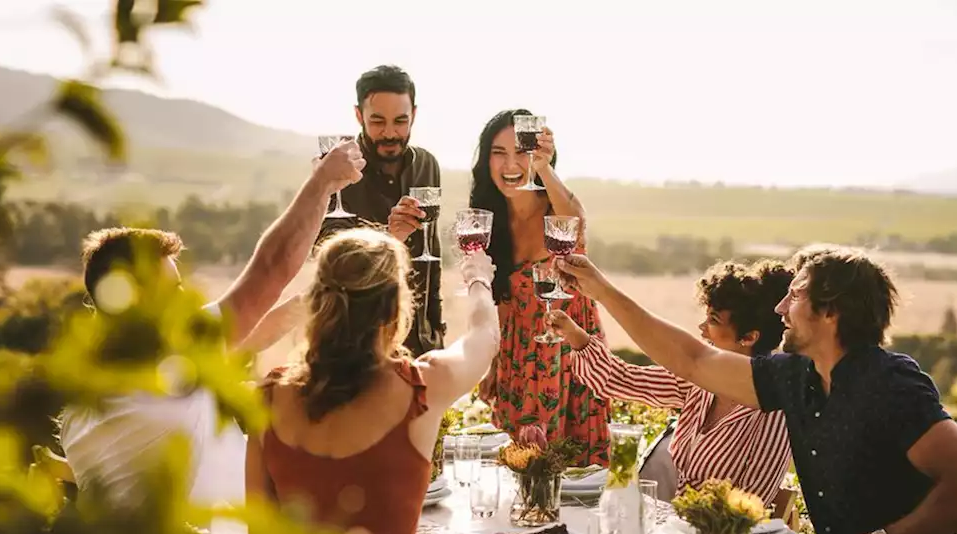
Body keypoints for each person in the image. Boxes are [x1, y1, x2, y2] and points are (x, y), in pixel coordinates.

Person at [556, 245, 957, 534]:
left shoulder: (891, 384)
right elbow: (693, 361)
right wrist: (600, 289)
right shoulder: (797, 379)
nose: (780, 308)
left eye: (797, 294)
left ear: (830, 311)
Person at [39, 140, 367, 534]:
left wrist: (347, 278)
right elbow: (272, 269)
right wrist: (322, 184)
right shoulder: (168, 357)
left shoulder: (98, 374)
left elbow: (258, 327)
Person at [246, 228, 575, 534]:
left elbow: (259, 532)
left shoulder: (270, 397)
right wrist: (479, 280)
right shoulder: (420, 385)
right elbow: (485, 340)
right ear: (394, 308)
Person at [547, 259, 794, 504]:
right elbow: (621, 380)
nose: (702, 328)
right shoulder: (698, 384)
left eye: (714, 320)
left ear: (749, 337)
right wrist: (576, 336)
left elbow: (745, 505)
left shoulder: (774, 410)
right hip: (675, 530)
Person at [472, 109, 610, 466]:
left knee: (576, 477)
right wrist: (492, 366)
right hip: (519, 359)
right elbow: (501, 299)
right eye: (498, 153)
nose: (510, 164)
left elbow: (575, 224)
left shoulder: (557, 206)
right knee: (523, 472)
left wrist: (545, 168)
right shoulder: (488, 218)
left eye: (521, 152)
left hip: (570, 354)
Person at [320, 65, 444, 358]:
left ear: (413, 114)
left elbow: (431, 258)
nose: (390, 133)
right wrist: (389, 237)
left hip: (419, 345)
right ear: (358, 115)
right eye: (378, 121)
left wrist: (435, 333)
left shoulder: (428, 165)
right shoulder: (335, 169)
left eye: (401, 121)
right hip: (353, 348)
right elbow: (328, 263)